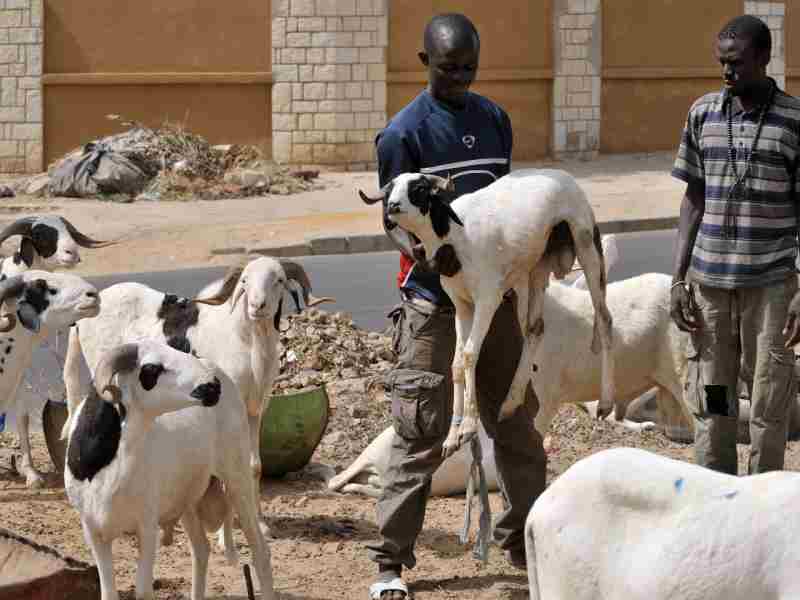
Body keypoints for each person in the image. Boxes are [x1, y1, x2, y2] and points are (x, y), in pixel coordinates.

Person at [365, 13, 547, 600]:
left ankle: (531, 545)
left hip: (493, 301)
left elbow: (508, 205)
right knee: (419, 429)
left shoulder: (495, 121)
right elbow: (392, 218)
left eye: (469, 67)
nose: (461, 78)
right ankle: (389, 565)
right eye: (449, 69)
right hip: (430, 304)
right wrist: (426, 259)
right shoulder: (403, 133)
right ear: (424, 63)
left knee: (515, 421)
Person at [671, 14, 800, 476]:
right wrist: (678, 278)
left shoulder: (794, 120)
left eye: (737, 63)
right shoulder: (702, 113)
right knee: (715, 401)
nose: (727, 73)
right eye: (722, 63)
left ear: (764, 59)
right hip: (710, 293)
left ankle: (761, 508)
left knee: (767, 401)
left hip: (770, 292)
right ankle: (715, 500)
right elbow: (693, 198)